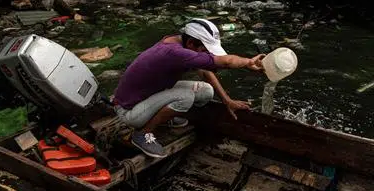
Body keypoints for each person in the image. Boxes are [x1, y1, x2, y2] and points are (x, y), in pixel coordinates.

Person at [112, 18, 266, 158]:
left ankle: (165, 117)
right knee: (186, 96)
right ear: (191, 43)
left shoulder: (178, 42)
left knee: (206, 91)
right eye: (205, 51)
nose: (208, 55)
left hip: (150, 95)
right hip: (129, 111)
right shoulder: (175, 53)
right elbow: (225, 62)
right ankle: (143, 133)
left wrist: (227, 101)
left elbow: (206, 72)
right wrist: (248, 62)